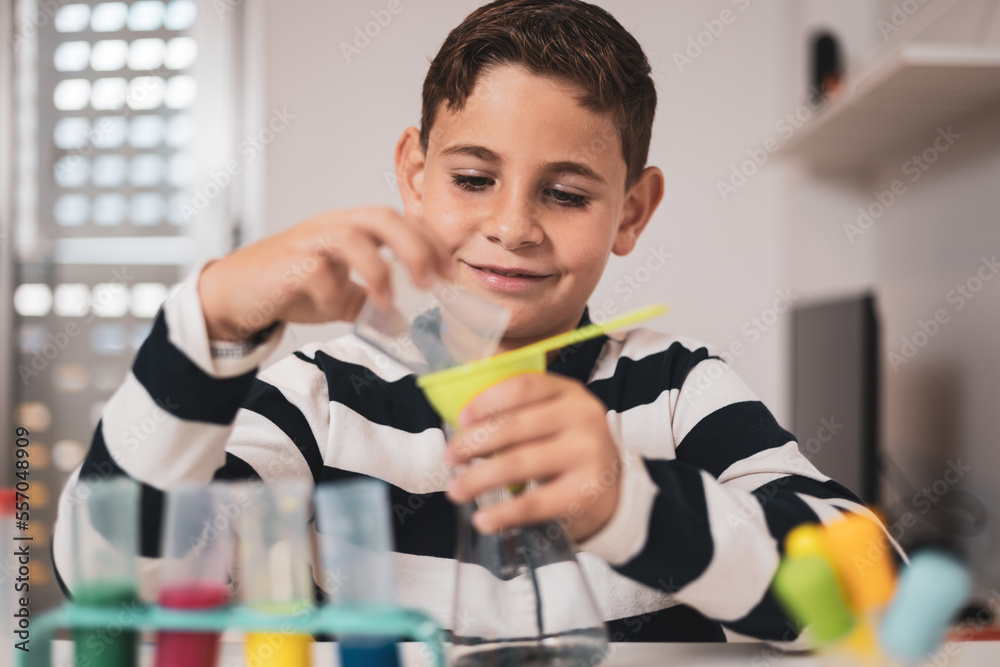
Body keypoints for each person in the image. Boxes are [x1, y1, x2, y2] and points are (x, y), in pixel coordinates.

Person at [53, 0, 886, 642]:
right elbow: (119, 577)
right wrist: (214, 319)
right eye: (473, 178)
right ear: (414, 174)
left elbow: (868, 579)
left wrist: (629, 505)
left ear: (632, 211)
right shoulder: (319, 398)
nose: (514, 226)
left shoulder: (677, 392)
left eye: (566, 193)